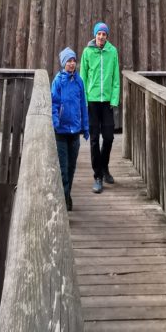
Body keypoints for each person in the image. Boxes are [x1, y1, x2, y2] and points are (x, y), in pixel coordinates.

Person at [80, 21, 120, 193]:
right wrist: (84, 101)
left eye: (104, 34)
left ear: (107, 36)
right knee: (95, 139)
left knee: (109, 137)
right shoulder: (87, 52)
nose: (101, 37)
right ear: (95, 35)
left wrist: (114, 100)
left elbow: (116, 77)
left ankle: (104, 167)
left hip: (107, 102)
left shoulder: (112, 52)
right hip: (92, 102)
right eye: (99, 34)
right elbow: (82, 78)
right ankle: (98, 176)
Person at [51, 47, 89, 211]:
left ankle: (66, 195)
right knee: (63, 169)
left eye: (74, 60)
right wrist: (55, 121)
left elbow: (83, 105)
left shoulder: (79, 81)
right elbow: (53, 103)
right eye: (69, 61)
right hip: (61, 132)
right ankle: (64, 200)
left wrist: (85, 127)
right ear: (63, 63)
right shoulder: (58, 81)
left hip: (75, 131)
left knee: (71, 167)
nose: (72, 64)